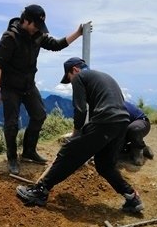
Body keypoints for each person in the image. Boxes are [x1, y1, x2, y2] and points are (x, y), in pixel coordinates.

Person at [16, 57, 144, 213]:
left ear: (75, 70)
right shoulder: (105, 77)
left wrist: (76, 133)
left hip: (106, 120)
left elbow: (81, 108)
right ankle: (132, 197)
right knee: (104, 165)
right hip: (123, 122)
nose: (71, 82)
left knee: (68, 152)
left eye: (69, 78)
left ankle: (40, 191)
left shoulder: (80, 77)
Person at [0, 4, 90, 175]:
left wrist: (78, 33)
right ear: (26, 21)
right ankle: (12, 158)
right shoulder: (10, 37)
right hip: (10, 87)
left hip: (29, 85)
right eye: (35, 25)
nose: (38, 29)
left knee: (39, 115)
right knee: (12, 123)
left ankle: (29, 151)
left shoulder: (37, 35)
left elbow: (56, 45)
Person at [121, 100, 154, 166]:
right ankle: (143, 148)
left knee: (134, 129)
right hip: (127, 126)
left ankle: (138, 154)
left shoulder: (118, 105)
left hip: (142, 123)